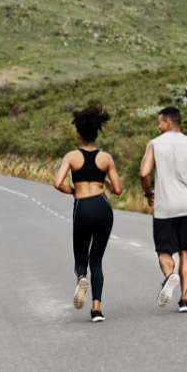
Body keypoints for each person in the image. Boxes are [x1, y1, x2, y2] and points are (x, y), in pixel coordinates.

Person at [139, 106, 187, 313]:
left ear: (168, 123)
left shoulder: (154, 144)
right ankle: (184, 299)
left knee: (164, 251)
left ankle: (169, 276)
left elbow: (143, 174)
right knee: (186, 251)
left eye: (159, 122)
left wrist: (148, 194)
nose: (158, 125)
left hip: (165, 207)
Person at [54, 104, 123, 323]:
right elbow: (118, 190)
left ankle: (81, 278)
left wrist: (73, 190)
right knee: (97, 260)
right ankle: (97, 310)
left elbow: (57, 183)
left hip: (82, 206)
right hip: (103, 208)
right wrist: (103, 181)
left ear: (78, 134)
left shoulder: (72, 157)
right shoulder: (106, 158)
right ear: (96, 133)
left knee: (80, 258)